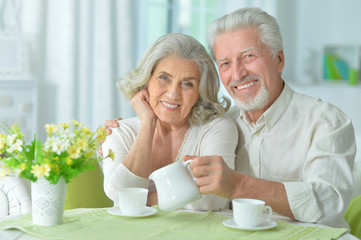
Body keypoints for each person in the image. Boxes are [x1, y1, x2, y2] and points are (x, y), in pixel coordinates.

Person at [102, 8, 356, 228]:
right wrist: (130, 129)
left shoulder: (326, 122)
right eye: (225, 63)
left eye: (248, 57)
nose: (238, 74)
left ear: (279, 59)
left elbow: (329, 202)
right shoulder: (224, 123)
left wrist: (239, 185)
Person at [101, 33, 238, 211]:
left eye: (187, 84)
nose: (173, 93)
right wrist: (148, 124)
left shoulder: (217, 129)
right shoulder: (120, 131)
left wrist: (138, 199)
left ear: (200, 92)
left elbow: (212, 199)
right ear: (146, 79)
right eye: (164, 78)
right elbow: (116, 192)